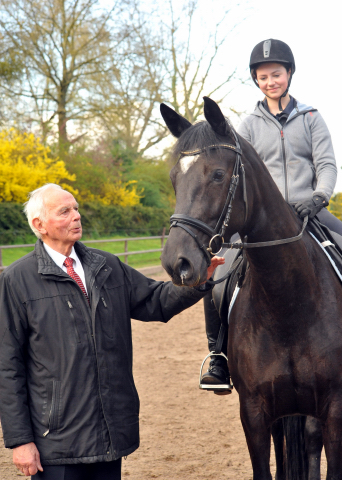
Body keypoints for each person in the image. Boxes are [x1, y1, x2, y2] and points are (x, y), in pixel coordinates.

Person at [0, 183, 223, 479]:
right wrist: (20, 441)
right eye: (64, 211)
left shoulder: (106, 266)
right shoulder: (17, 280)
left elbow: (155, 301)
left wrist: (196, 281)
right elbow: (7, 366)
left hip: (109, 434)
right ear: (39, 224)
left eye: (76, 209)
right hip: (54, 442)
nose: (76, 216)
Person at [201, 38, 340, 391]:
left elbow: (325, 164)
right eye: (263, 77)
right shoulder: (247, 125)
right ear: (256, 81)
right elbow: (242, 170)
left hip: (311, 211)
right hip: (261, 221)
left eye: (275, 74)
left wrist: (320, 197)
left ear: (289, 73)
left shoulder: (311, 117)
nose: (270, 82)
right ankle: (218, 356)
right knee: (218, 275)